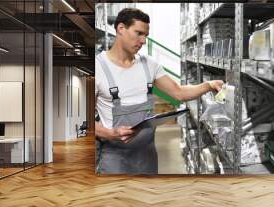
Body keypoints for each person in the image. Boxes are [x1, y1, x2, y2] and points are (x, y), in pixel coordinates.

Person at [95, 8, 223, 174]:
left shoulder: (149, 65)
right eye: (138, 33)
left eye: (145, 36)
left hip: (147, 155)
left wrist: (209, 85)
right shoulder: (98, 67)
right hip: (115, 158)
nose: (143, 41)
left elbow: (179, 92)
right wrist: (109, 133)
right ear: (121, 28)